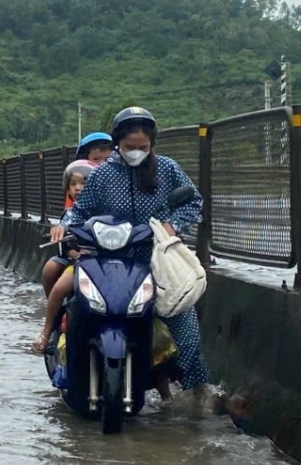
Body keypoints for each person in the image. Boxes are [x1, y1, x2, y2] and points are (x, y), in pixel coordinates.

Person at [41, 106, 211, 393]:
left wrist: (171, 225)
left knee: (185, 329)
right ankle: (69, 362)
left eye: (143, 147)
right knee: (82, 310)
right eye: (130, 146)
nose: (136, 152)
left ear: (152, 144)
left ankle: (195, 394)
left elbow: (194, 201)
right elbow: (79, 210)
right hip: (107, 261)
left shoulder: (168, 169)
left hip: (155, 261)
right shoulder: (102, 175)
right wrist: (64, 225)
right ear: (118, 143)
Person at [40, 159, 95, 296]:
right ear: (67, 189)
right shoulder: (70, 213)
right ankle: (53, 308)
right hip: (74, 258)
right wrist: (77, 255)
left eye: (83, 183)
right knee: (51, 272)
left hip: (99, 257)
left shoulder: (102, 211)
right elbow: (64, 241)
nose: (78, 188)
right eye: (73, 184)